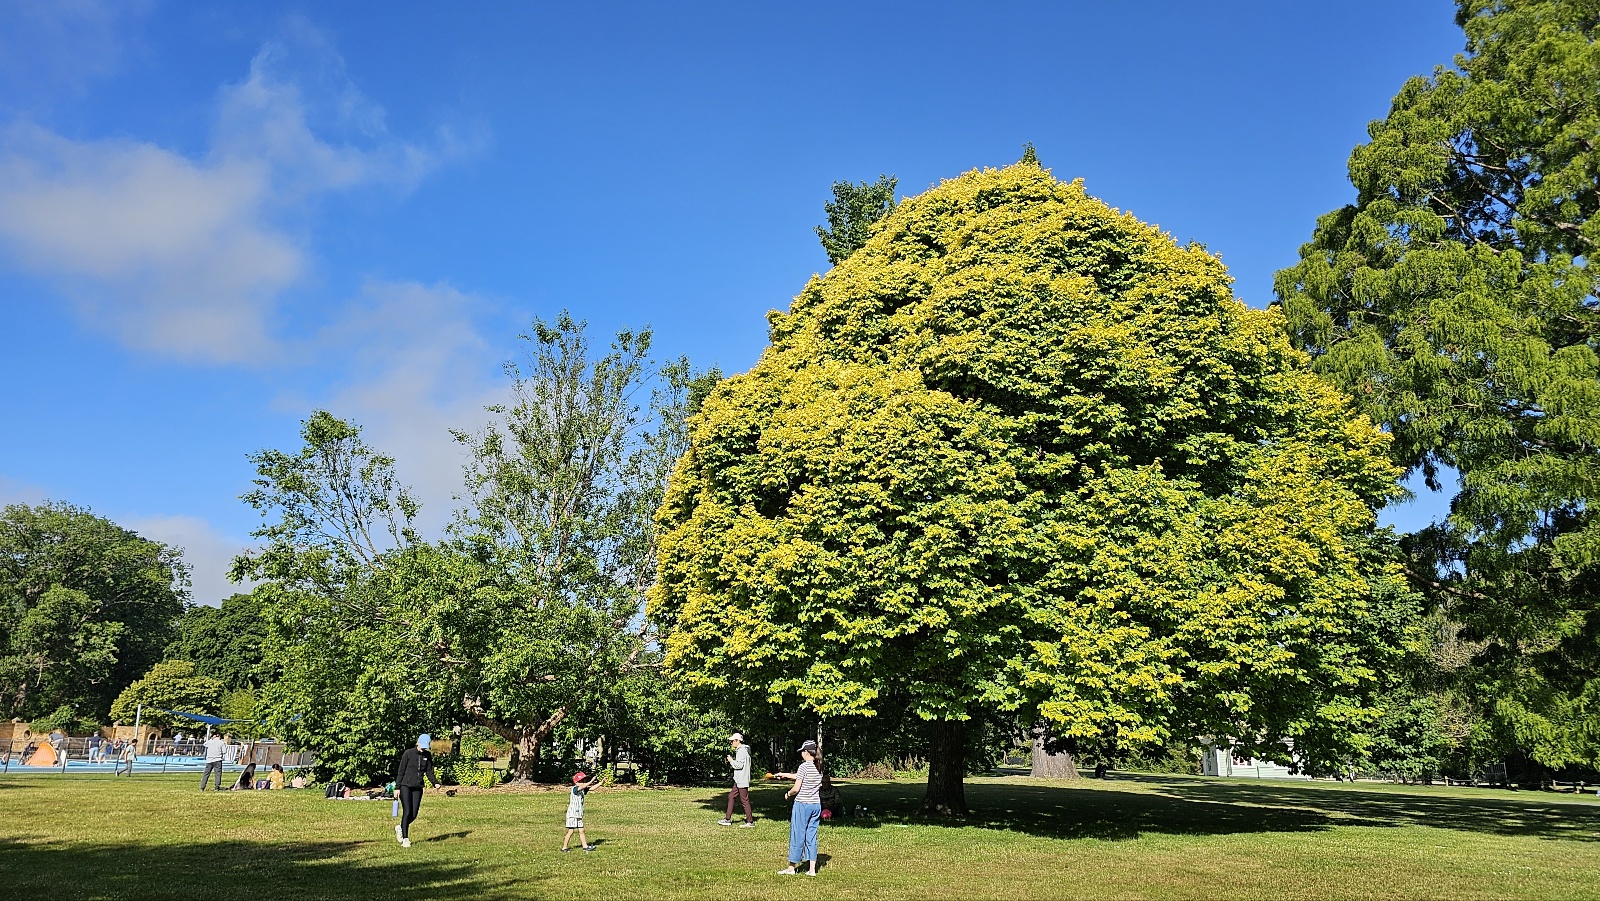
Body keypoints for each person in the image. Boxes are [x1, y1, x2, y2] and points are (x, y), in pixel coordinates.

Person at [774, 740, 823, 876]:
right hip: (816, 805)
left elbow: (796, 788)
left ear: (806, 752)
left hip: (802, 805)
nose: (801, 753)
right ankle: (812, 870)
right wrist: (783, 774)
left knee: (797, 835)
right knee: (811, 836)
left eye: (802, 751)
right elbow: (798, 777)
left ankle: (791, 868)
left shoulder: (803, 767)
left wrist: (788, 794)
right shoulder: (818, 767)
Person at [394, 734, 441, 848]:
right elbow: (401, 771)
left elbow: (429, 772)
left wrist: (435, 782)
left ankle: (400, 827)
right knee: (408, 811)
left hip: (418, 787)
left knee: (414, 814)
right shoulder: (408, 754)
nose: (423, 748)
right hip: (405, 786)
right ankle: (405, 838)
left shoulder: (427, 755)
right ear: (417, 743)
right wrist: (397, 787)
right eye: (422, 746)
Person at [718, 732, 755, 827]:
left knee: (744, 800)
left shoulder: (741, 751)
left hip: (741, 780)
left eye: (732, 741)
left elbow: (739, 765)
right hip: (739, 780)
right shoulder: (743, 750)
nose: (731, 743)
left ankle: (750, 822)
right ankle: (727, 819)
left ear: (738, 741)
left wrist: (731, 761)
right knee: (731, 796)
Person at [562, 771, 599, 852]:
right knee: (571, 831)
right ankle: (564, 847)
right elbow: (583, 787)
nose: (583, 782)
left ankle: (585, 846)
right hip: (572, 814)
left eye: (584, 781)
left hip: (578, 814)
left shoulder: (582, 789)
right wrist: (591, 781)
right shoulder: (575, 789)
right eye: (581, 781)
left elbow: (591, 788)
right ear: (576, 782)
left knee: (581, 830)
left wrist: (601, 783)